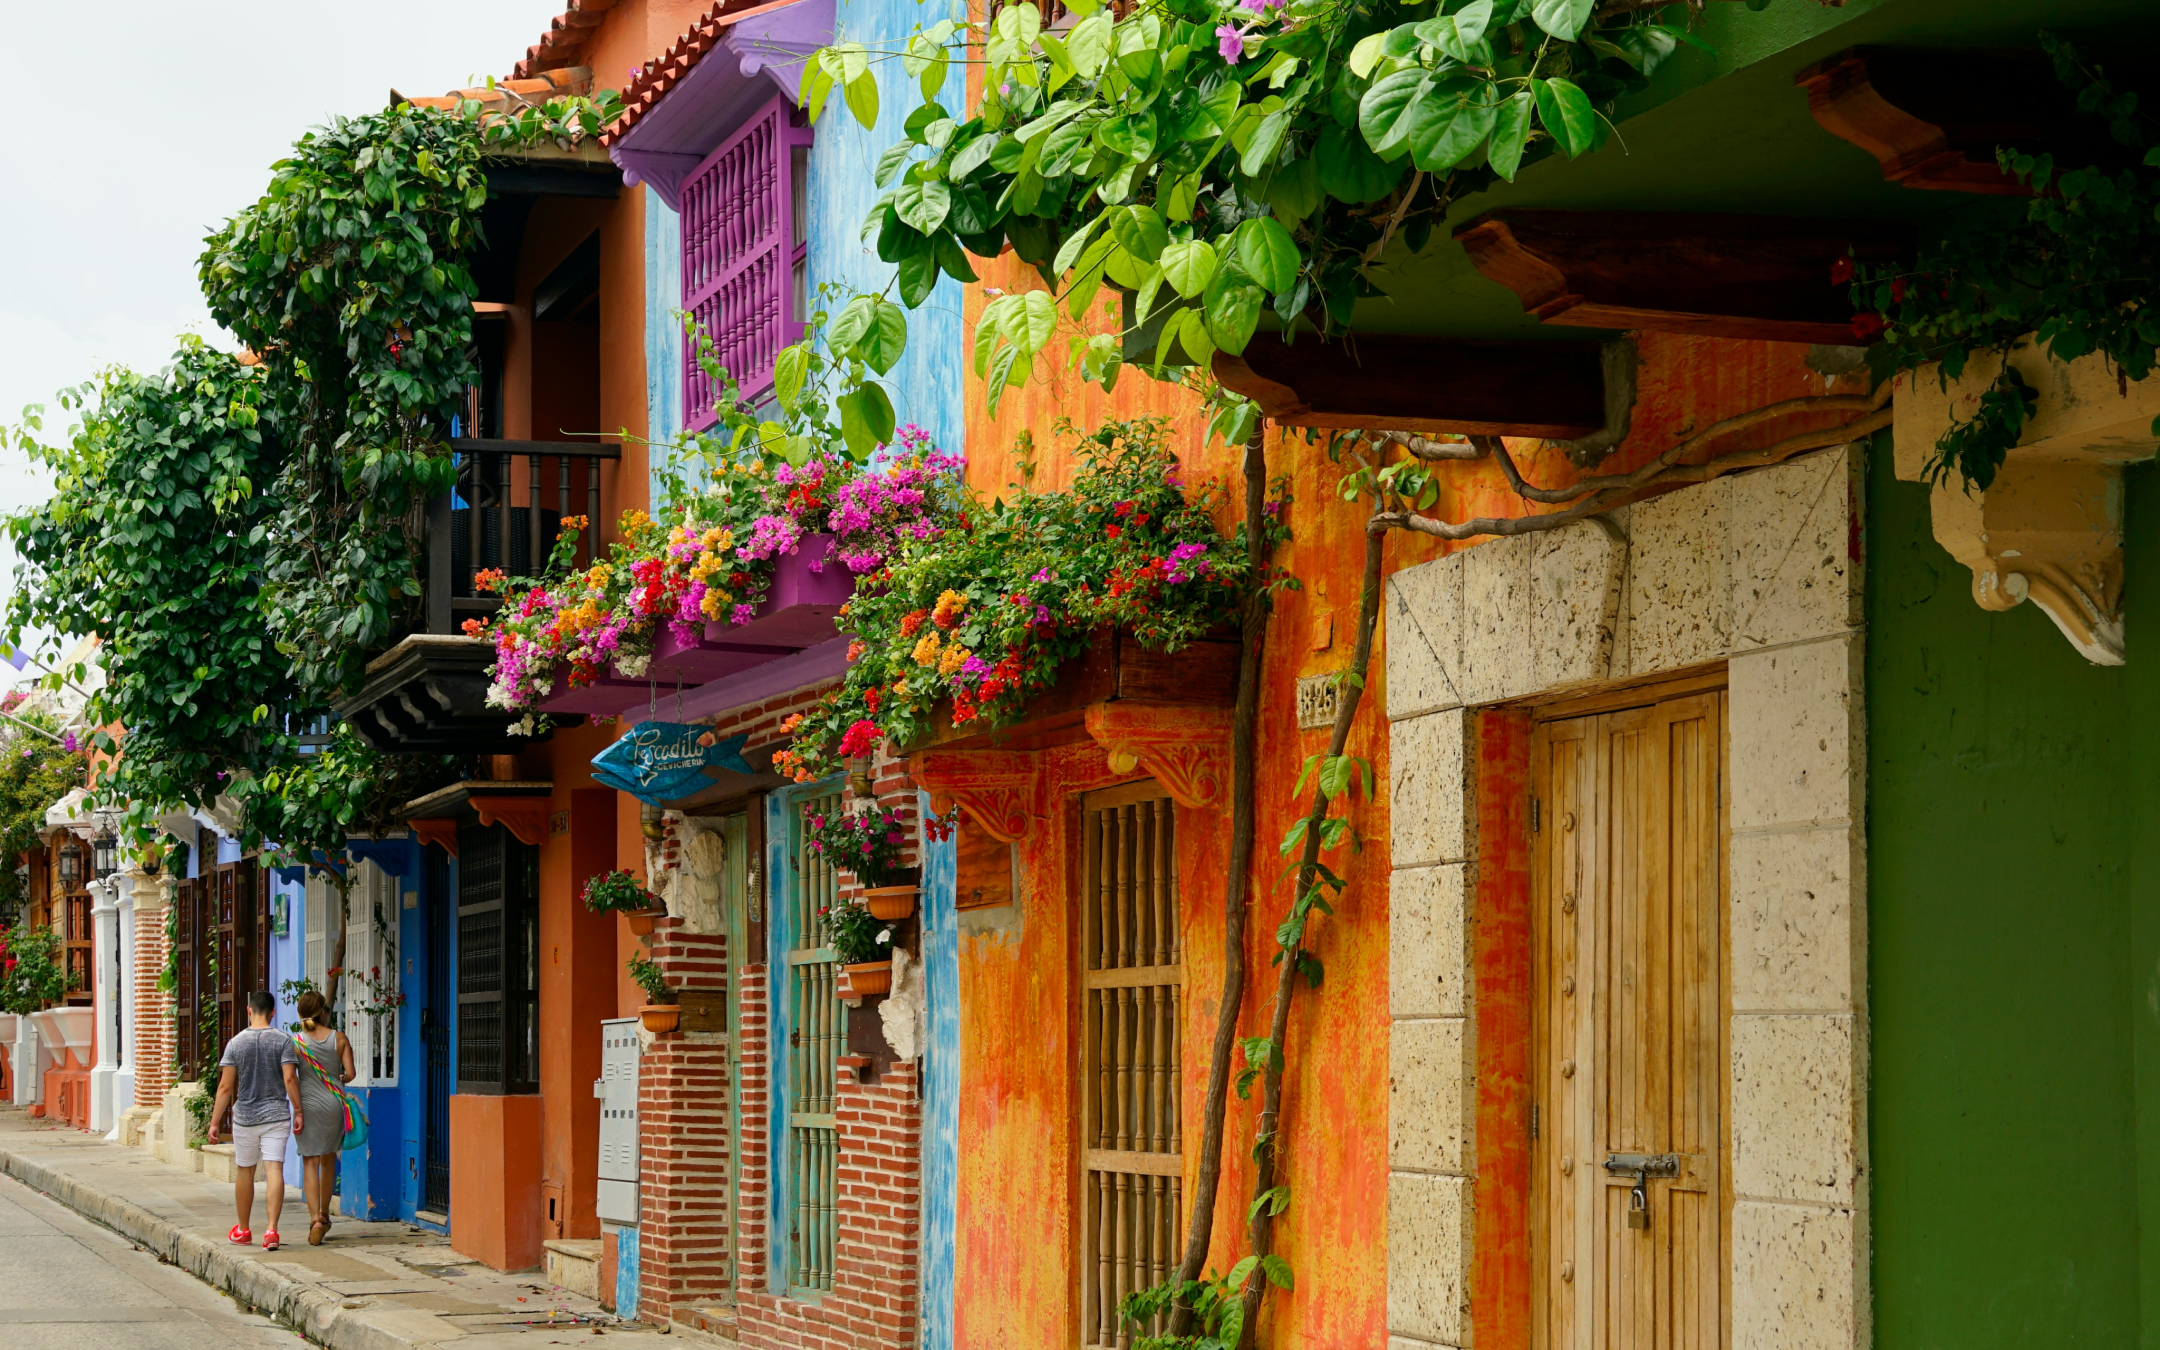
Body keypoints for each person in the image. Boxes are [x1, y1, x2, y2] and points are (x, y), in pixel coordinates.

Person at [206, 990, 303, 1251]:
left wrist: (215, 1123)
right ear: (273, 1013)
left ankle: (243, 1229)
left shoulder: (235, 1043)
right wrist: (298, 1110)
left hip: (245, 1118)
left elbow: (225, 1087)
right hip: (276, 1116)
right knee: (274, 1170)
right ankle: (271, 1231)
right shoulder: (283, 1041)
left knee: (245, 1171)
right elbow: (290, 1079)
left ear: (249, 1010)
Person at [290, 989, 354, 1245]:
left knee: (309, 1162)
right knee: (328, 1161)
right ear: (324, 1011)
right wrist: (337, 1079)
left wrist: (297, 1109)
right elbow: (350, 1074)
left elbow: (290, 1077)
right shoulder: (339, 1039)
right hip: (333, 1105)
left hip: (308, 1106)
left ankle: (314, 1218)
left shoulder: (295, 1043)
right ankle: (324, 1215)